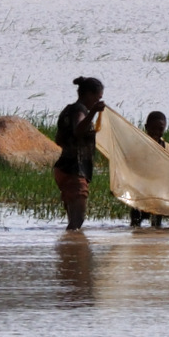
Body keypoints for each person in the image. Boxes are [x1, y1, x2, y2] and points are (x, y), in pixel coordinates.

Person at [54, 76, 106, 231]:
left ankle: (68, 246)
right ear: (89, 94)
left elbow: (59, 139)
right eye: (97, 98)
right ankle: (73, 246)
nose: (97, 102)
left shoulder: (67, 110)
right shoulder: (80, 110)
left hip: (63, 169)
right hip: (74, 171)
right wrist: (94, 112)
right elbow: (78, 130)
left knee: (73, 221)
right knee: (77, 221)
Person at [130, 111, 169, 228]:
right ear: (146, 127)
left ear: (165, 128)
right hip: (140, 194)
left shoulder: (167, 147)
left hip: (158, 195)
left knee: (156, 226)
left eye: (160, 129)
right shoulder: (138, 145)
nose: (156, 132)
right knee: (135, 224)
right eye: (153, 129)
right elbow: (131, 166)